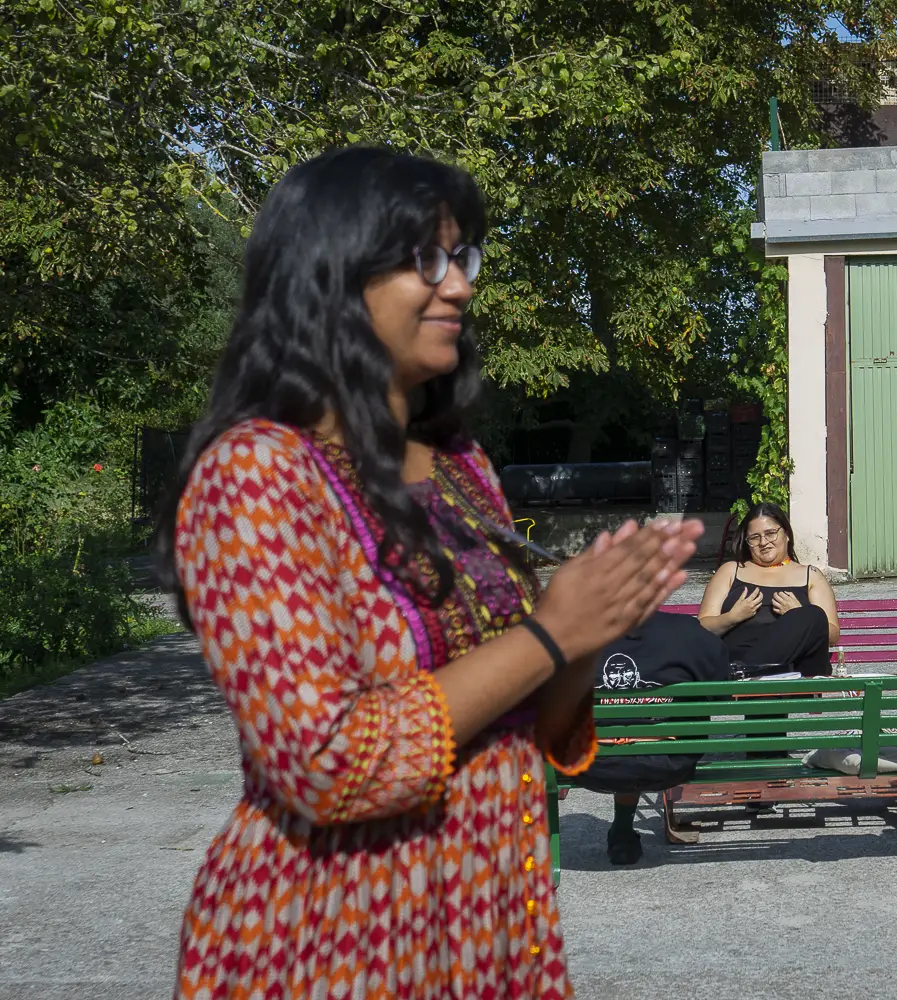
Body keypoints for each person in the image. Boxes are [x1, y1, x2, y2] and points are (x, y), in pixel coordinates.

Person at [159, 146, 702, 998]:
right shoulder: (257, 474)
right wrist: (549, 632)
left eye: (463, 258)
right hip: (330, 944)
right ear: (331, 275)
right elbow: (327, 759)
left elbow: (529, 720)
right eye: (426, 260)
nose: (459, 287)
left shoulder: (462, 467)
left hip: (487, 927)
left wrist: (591, 628)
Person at [572, 611, 732, 866]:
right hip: (669, 763)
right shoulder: (688, 632)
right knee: (644, 740)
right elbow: (721, 695)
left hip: (587, 766)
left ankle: (622, 831)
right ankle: (622, 831)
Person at [697, 503, 839, 677]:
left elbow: (832, 635)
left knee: (814, 615)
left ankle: (746, 673)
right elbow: (702, 627)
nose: (763, 542)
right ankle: (746, 674)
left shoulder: (811, 576)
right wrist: (732, 617)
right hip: (736, 661)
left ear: (786, 534)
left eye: (770, 533)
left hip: (794, 674)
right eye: (754, 537)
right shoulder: (730, 571)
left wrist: (798, 614)